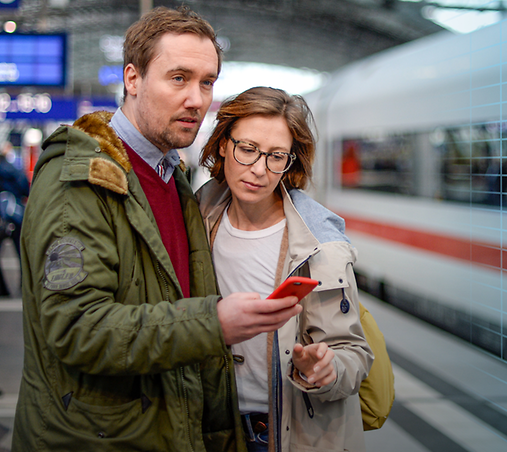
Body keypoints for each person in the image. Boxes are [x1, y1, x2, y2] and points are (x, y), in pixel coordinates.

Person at [12, 7, 301, 452]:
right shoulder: (80, 180)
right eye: (179, 78)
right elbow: (75, 327)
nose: (197, 99)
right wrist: (215, 322)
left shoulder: (173, 177)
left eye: (207, 82)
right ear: (132, 78)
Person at [196, 86, 372, 452]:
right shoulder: (200, 215)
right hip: (211, 429)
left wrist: (328, 368)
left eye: (276, 156)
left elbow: (354, 354)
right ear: (223, 144)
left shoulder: (321, 246)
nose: (259, 170)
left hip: (288, 433)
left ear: (291, 161)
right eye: (247, 150)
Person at [0, 141, 29, 296]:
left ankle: (2, 289)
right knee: (22, 253)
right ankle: (24, 285)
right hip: (16, 215)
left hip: (1, 217)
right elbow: (25, 187)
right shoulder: (14, 169)